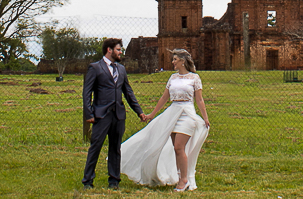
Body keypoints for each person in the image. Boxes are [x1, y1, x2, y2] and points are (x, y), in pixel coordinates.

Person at [121, 49, 210, 192]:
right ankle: (180, 178)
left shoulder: (194, 78)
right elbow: (164, 98)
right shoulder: (172, 78)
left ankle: (184, 180)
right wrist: (152, 114)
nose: (173, 62)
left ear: (182, 61)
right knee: (177, 149)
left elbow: (199, 99)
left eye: (175, 59)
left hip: (187, 114)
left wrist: (205, 117)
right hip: (173, 114)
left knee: (178, 147)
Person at [82, 38, 147, 190]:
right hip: (101, 115)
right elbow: (87, 93)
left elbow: (128, 92)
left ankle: (114, 180)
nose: (120, 52)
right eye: (118, 49)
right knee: (95, 147)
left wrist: (139, 112)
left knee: (115, 148)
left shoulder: (121, 69)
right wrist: (89, 114)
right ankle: (87, 181)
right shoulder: (95, 68)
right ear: (109, 50)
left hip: (118, 115)